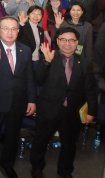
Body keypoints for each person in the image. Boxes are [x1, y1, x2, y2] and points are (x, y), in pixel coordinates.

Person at [29, 27, 98, 178]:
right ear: (57, 41)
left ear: (77, 42)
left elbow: (90, 89)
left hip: (72, 111)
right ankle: (37, 167)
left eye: (71, 40)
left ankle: (65, 171)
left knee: (69, 144)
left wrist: (92, 111)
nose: (67, 44)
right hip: (49, 109)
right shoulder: (48, 57)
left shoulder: (84, 63)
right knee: (40, 141)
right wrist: (46, 62)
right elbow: (38, 80)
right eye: (63, 40)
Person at [0, 17, 37, 178]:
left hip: (18, 101)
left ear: (18, 31)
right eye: (6, 28)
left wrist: (32, 100)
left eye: (13, 29)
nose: (10, 32)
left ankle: (8, 164)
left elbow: (30, 77)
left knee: (13, 136)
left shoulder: (25, 49)